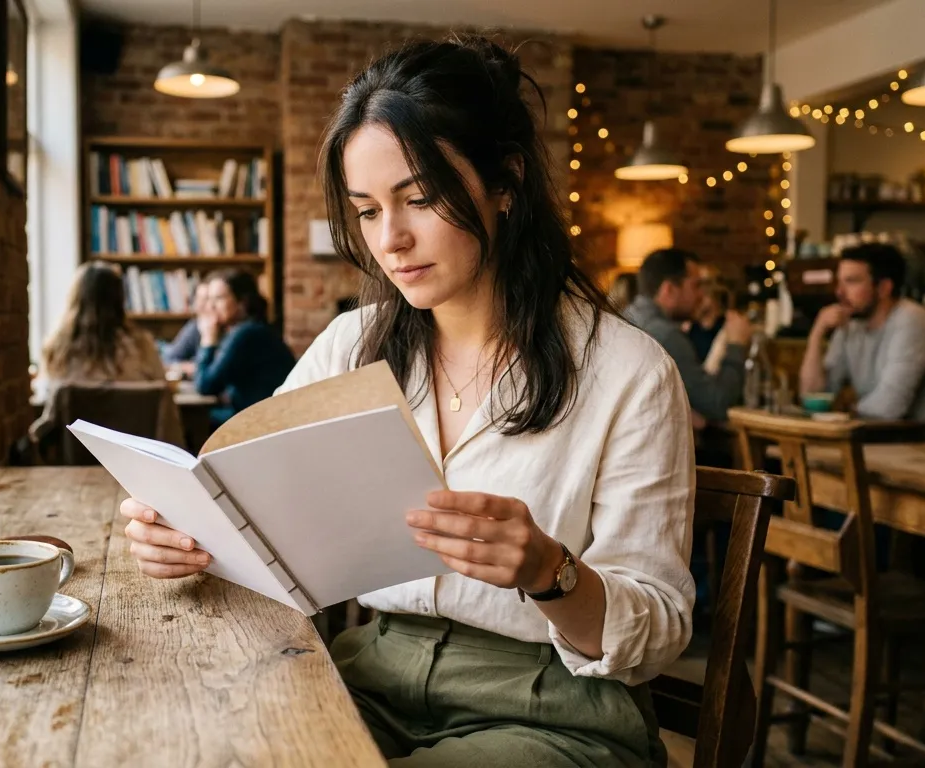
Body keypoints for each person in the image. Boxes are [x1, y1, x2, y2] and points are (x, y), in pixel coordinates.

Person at [118, 35, 695, 767]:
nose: (390, 240)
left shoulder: (628, 372)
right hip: (371, 675)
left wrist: (551, 573)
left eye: (419, 198)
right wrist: (183, 530)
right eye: (365, 210)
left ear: (505, 183)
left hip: (552, 710)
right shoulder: (350, 347)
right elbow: (249, 509)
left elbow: (662, 630)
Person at [799, 242, 925, 441]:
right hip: (895, 444)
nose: (839, 292)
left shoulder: (912, 322)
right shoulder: (851, 324)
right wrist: (817, 333)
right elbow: (814, 396)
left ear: (883, 288)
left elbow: (890, 406)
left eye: (851, 281)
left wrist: (845, 412)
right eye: (839, 282)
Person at [29, 261, 182, 449]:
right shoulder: (142, 346)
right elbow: (162, 394)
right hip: (136, 456)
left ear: (76, 298)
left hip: (75, 457)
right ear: (120, 299)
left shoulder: (57, 349)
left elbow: (47, 396)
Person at [625, 248, 752, 423]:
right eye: (696, 285)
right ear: (669, 289)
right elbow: (718, 402)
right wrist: (737, 344)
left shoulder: (624, 319)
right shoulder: (666, 336)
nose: (701, 294)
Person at [193, 269, 296, 426]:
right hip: (261, 416)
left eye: (219, 298)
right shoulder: (249, 329)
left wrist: (208, 339)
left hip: (261, 423)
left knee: (192, 421)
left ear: (242, 301)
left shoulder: (245, 333)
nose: (210, 307)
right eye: (209, 299)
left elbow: (205, 385)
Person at [161, 280, 210, 373]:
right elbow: (168, 360)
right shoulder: (195, 326)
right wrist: (188, 367)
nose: (200, 305)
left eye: (207, 299)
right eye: (198, 299)